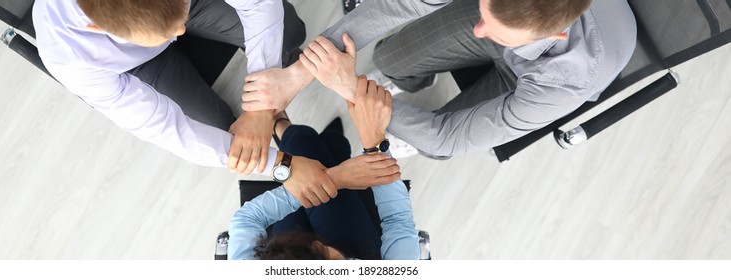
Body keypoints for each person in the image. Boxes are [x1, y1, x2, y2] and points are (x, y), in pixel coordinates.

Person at [32, 0, 336, 206]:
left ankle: (274, 116)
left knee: (290, 31)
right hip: (137, 65)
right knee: (227, 138)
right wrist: (281, 164)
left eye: (178, 24)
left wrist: (260, 107)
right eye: (168, 30)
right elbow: (167, 129)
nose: (180, 32)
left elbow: (258, 3)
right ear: (99, 27)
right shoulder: (68, 57)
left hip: (195, 5)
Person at [242, 0, 637, 158]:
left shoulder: (566, 83)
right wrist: (299, 73)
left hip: (530, 85)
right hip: (528, 33)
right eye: (484, 12)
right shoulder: (495, 19)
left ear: (554, 36)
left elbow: (447, 136)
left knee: (434, 147)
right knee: (392, 57)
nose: (480, 30)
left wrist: (352, 89)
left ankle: (385, 107)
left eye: (494, 30)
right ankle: (405, 84)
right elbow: (403, 4)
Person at [228, 77, 420, 260]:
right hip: (360, 248)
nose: (319, 242)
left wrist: (335, 177)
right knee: (327, 146)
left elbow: (247, 219)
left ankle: (282, 126)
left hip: (283, 247)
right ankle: (284, 127)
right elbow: (397, 220)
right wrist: (374, 141)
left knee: (311, 146)